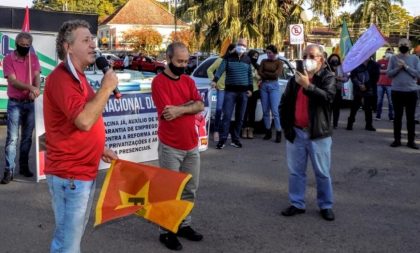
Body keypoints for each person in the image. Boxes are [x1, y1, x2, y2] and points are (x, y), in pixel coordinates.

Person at [43, 20, 119, 252]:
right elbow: (84, 121)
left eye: (93, 40)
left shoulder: (79, 78)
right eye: (85, 40)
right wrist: (106, 88)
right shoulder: (62, 79)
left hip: (81, 173)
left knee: (67, 238)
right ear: (68, 47)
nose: (93, 45)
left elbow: (78, 121)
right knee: (69, 244)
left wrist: (100, 149)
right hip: (70, 176)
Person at [151, 42, 204, 251]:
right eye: (179, 61)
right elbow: (167, 113)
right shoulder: (159, 82)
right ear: (168, 59)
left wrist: (182, 108)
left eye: (186, 61)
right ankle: (166, 231)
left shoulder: (188, 81)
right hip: (170, 146)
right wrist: (190, 106)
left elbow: (200, 104)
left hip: (191, 144)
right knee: (169, 191)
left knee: (190, 189)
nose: (183, 65)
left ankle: (184, 224)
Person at [279, 44, 336, 221]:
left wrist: (308, 86)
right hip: (296, 133)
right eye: (305, 56)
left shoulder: (328, 77)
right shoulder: (294, 79)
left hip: (318, 133)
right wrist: (286, 128)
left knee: (322, 172)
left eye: (311, 56)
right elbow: (284, 104)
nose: (307, 59)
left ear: (321, 59)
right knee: (296, 172)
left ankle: (326, 205)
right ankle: (297, 203)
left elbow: (328, 98)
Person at [1, 32, 41, 184]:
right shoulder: (8, 59)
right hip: (15, 103)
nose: (24, 47)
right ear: (16, 43)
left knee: (27, 138)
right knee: (12, 138)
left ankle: (23, 166)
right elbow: (12, 81)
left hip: (30, 104)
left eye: (27, 45)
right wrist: (31, 87)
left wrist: (36, 90)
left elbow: (36, 76)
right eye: (22, 44)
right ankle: (9, 170)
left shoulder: (33, 58)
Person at [212, 38, 253, 149]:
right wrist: (215, 80)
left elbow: (250, 75)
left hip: (243, 93)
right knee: (227, 116)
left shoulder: (247, 59)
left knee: (240, 117)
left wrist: (250, 89)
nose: (241, 47)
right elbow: (220, 69)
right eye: (240, 44)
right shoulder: (228, 58)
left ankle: (235, 140)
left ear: (246, 47)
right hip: (230, 92)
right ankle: (223, 140)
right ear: (236, 45)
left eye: (244, 45)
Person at [387, 38, 420, 149]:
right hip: (397, 91)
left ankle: (411, 141)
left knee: (410, 118)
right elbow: (389, 74)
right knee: (397, 117)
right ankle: (397, 140)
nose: (403, 45)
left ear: (409, 45)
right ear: (398, 46)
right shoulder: (393, 58)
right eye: (401, 44)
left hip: (411, 92)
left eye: (406, 44)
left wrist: (406, 66)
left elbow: (418, 74)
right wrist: (398, 67)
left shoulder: (415, 58)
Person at [207, 43, 236, 142]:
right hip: (222, 89)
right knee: (219, 110)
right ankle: (216, 132)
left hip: (231, 90)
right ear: (230, 50)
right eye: (235, 50)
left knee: (228, 112)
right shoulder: (220, 60)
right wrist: (214, 81)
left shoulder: (236, 62)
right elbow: (209, 70)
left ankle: (225, 132)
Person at [346, 58, 380, 131]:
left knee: (368, 107)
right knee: (354, 107)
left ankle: (369, 125)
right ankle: (350, 123)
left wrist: (366, 86)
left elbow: (375, 78)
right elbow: (353, 76)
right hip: (358, 88)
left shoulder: (374, 65)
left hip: (369, 88)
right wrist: (359, 85)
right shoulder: (357, 63)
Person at [258, 45, 283, 142]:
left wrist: (265, 74)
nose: (268, 55)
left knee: (275, 111)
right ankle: (268, 131)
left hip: (274, 86)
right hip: (264, 86)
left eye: (270, 53)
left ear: (274, 53)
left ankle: (278, 131)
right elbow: (259, 72)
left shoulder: (279, 62)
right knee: (265, 110)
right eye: (267, 53)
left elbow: (277, 74)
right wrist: (269, 74)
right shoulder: (264, 61)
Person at [242, 49, 260, 139]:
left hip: (255, 90)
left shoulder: (257, 66)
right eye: (253, 56)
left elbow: (260, 78)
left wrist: (255, 75)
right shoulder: (245, 64)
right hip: (245, 89)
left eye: (256, 56)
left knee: (252, 111)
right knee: (245, 110)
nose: (255, 58)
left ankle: (251, 129)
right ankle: (244, 129)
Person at [327, 54, 348, 128]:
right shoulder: (327, 67)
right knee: (328, 108)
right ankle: (327, 123)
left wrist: (340, 78)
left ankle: (335, 124)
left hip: (338, 90)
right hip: (328, 90)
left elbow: (346, 78)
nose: (335, 61)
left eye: (336, 60)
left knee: (336, 108)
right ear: (329, 60)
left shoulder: (341, 68)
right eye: (333, 59)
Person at [376, 48, 394, 121]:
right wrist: (387, 71)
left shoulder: (394, 62)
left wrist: (384, 71)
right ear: (385, 53)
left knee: (391, 101)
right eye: (388, 52)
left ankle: (391, 116)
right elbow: (377, 71)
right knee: (379, 100)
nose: (389, 53)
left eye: (391, 52)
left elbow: (395, 71)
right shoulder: (380, 61)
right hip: (380, 83)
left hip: (390, 84)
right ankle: (378, 115)